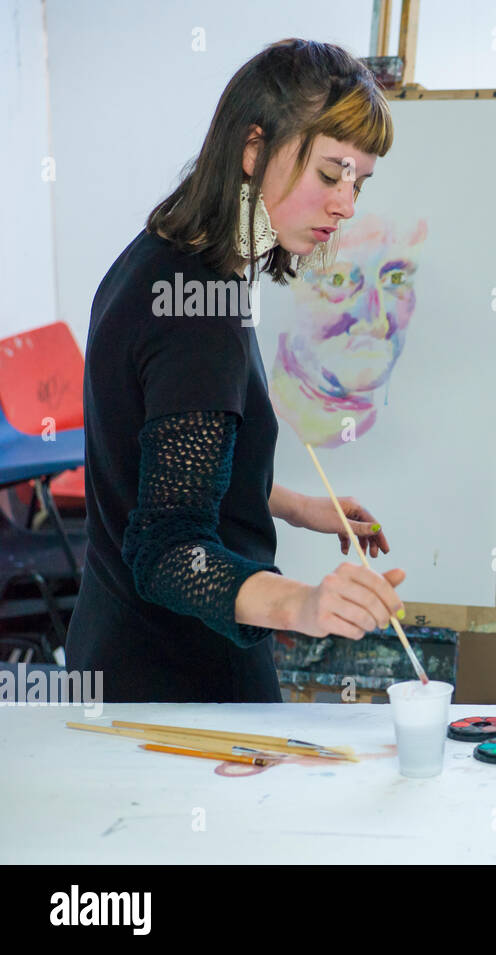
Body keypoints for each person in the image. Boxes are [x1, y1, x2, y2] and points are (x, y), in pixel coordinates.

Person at [65, 39, 407, 702]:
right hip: (179, 677)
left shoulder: (164, 259)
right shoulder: (200, 317)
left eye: (359, 182)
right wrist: (306, 606)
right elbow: (168, 553)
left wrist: (300, 508)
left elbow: (167, 466)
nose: (347, 204)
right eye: (331, 174)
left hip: (114, 649)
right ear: (254, 149)